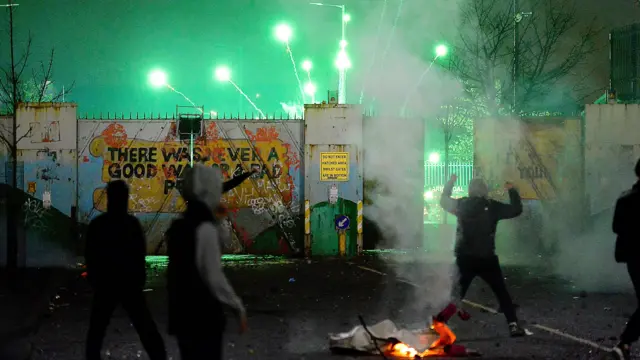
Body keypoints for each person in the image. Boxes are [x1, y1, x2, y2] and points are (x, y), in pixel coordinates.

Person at [166, 164, 248, 360]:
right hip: (203, 317)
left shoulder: (178, 226)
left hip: (180, 314)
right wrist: (237, 307)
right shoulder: (205, 229)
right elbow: (213, 276)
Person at [84, 180, 166, 360]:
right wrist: (138, 281)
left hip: (106, 284)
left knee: (97, 331)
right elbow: (139, 255)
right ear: (125, 199)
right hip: (128, 284)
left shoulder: (99, 225)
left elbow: (91, 256)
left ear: (109, 198)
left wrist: (95, 280)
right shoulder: (131, 225)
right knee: (146, 328)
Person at [439, 174, 527, 337]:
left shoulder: (461, 205)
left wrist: (450, 183)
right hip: (486, 258)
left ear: (470, 191)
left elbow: (443, 201)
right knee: (502, 293)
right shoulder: (492, 206)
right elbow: (516, 209)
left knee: (457, 294)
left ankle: (440, 322)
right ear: (485, 191)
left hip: (465, 258)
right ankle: (513, 325)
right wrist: (512, 190)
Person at [612, 158, 640, 360]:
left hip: (633, 259)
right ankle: (624, 343)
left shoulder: (625, 198)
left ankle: (625, 344)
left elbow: (616, 227)